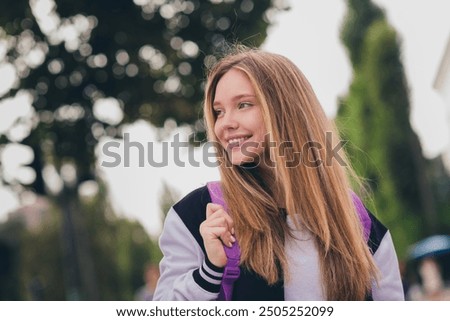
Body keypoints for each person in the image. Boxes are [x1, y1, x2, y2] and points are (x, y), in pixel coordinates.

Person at [153, 47, 404, 300]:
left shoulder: (358, 221)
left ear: (287, 111)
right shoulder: (195, 217)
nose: (225, 123)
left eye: (243, 104)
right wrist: (208, 272)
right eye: (219, 111)